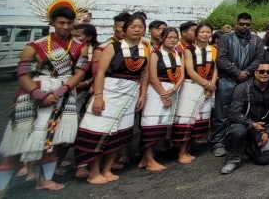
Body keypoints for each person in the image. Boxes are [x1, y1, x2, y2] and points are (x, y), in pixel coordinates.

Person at [0, 4, 89, 193]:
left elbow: (80, 73)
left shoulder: (80, 47)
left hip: (63, 95)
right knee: (19, 141)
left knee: (53, 141)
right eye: (61, 23)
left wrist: (60, 91)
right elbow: (22, 73)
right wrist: (38, 94)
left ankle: (44, 180)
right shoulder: (34, 46)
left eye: (69, 23)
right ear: (52, 23)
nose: (65, 27)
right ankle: (1, 186)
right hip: (33, 96)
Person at [74, 14, 150, 185]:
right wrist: (99, 97)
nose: (137, 30)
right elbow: (100, 73)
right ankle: (93, 172)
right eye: (133, 26)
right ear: (124, 29)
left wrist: (143, 95)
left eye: (140, 27)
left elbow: (145, 73)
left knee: (120, 133)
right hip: (109, 92)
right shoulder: (112, 47)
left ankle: (107, 169)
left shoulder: (146, 49)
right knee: (99, 130)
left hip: (130, 94)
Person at [210, 13, 265, 158]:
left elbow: (259, 58)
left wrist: (246, 72)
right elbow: (221, 59)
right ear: (236, 24)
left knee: (245, 112)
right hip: (227, 80)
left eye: (247, 24)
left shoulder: (257, 40)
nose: (244, 27)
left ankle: (242, 142)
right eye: (242, 24)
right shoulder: (225, 38)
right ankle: (218, 142)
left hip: (247, 80)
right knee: (222, 112)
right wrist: (236, 72)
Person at [220, 60, 269, 174]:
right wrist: (251, 123)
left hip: (263, 128)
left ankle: (249, 147)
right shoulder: (242, 88)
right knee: (238, 131)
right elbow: (234, 113)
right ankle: (233, 159)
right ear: (255, 73)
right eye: (262, 71)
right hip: (244, 124)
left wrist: (268, 131)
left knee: (266, 159)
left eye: (268, 72)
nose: (265, 74)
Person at [139, 27, 184, 172]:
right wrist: (164, 94)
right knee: (151, 123)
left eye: (174, 37)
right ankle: (149, 159)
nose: (172, 40)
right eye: (169, 37)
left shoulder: (178, 54)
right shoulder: (155, 54)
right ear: (162, 39)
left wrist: (174, 89)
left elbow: (182, 74)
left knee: (163, 123)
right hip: (157, 91)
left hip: (173, 89)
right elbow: (152, 76)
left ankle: (146, 158)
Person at [172, 22, 217, 164]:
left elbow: (216, 69)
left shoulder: (214, 50)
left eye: (208, 32)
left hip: (208, 88)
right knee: (187, 119)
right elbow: (190, 71)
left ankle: (188, 150)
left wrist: (212, 85)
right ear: (197, 34)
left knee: (198, 120)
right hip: (192, 86)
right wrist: (206, 84)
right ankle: (181, 152)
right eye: (202, 32)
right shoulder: (188, 50)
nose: (205, 34)